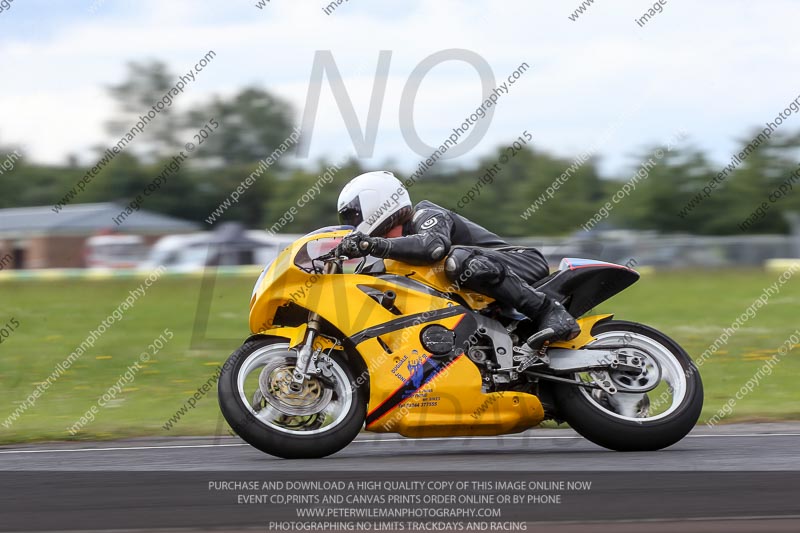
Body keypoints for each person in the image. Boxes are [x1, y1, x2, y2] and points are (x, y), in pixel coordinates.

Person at [335, 171, 579, 348]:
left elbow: (432, 247)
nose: (352, 224)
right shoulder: (384, 258)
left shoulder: (426, 214)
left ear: (376, 202)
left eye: (353, 215)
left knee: (459, 260)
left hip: (519, 262)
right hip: (482, 293)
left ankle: (549, 311)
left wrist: (372, 244)